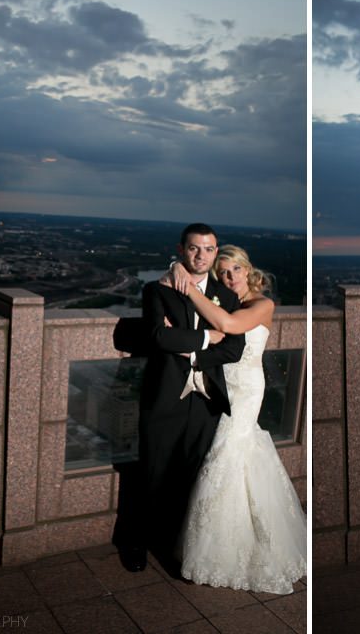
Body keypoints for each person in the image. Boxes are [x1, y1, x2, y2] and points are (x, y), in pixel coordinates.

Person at [164, 245, 307, 594]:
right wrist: (178, 335)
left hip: (245, 390)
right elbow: (211, 339)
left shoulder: (262, 305)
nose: (230, 278)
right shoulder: (226, 302)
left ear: (248, 270)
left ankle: (228, 552)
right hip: (221, 386)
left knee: (224, 456)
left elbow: (227, 326)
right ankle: (228, 541)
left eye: (235, 270)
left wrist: (191, 287)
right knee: (234, 457)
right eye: (223, 272)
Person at [112, 224, 245, 574]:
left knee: (190, 477)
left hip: (206, 403)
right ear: (182, 250)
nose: (201, 255)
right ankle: (135, 543)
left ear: (216, 252)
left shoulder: (227, 296)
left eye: (209, 249)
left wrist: (191, 349)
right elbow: (158, 337)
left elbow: (234, 349)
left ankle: (175, 545)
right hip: (165, 396)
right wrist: (206, 337)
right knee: (151, 473)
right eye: (194, 248)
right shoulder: (158, 289)